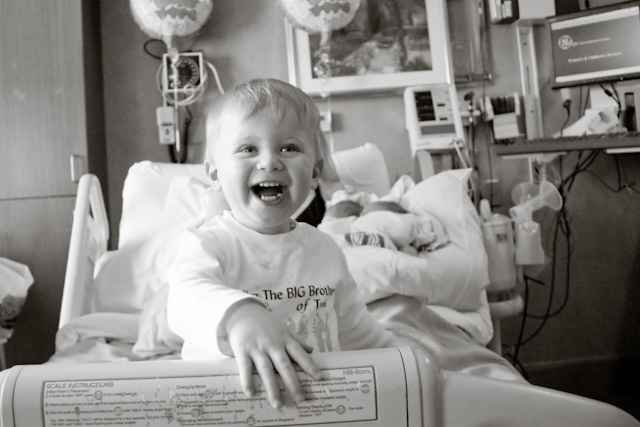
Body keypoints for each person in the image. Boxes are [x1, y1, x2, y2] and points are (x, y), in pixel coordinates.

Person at [165, 78, 398, 409]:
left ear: (314, 172)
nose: (270, 162)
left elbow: (356, 329)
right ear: (215, 174)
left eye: (289, 148)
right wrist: (238, 314)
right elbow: (183, 299)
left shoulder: (324, 250)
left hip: (319, 406)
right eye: (248, 149)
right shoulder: (209, 244)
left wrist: (402, 361)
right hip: (228, 408)